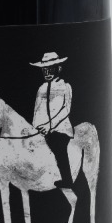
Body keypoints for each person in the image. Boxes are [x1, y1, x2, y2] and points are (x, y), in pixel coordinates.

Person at [30, 51, 74, 188]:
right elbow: (37, 110)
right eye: (44, 69)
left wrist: (49, 126)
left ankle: (67, 180)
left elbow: (65, 110)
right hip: (43, 129)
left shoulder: (65, 86)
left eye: (51, 69)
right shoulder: (41, 89)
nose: (47, 72)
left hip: (60, 128)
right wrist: (35, 128)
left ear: (58, 69)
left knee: (57, 145)